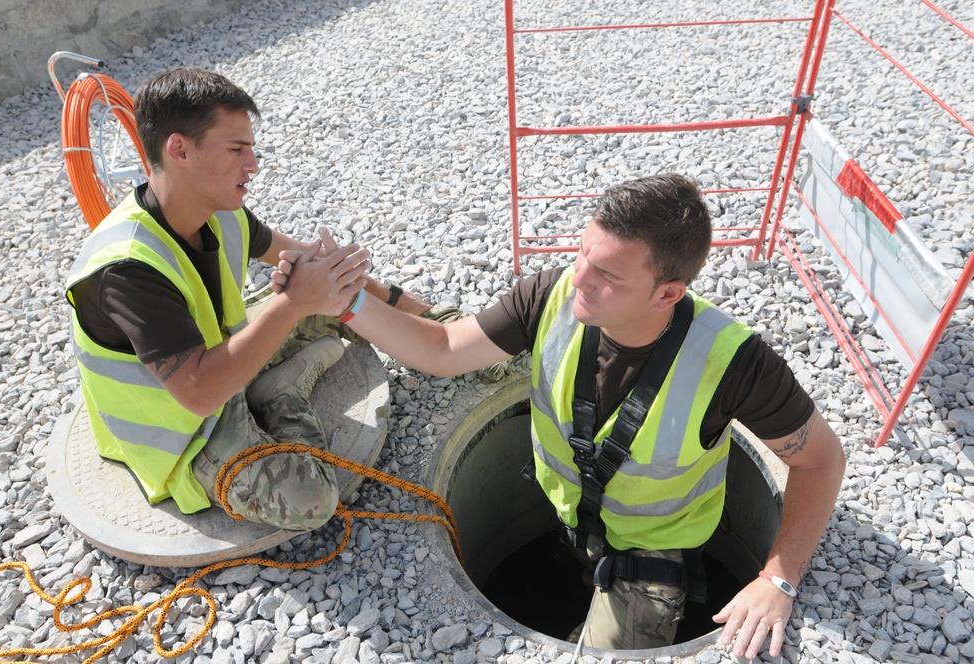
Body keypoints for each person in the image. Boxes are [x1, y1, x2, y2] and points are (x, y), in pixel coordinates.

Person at [278, 174, 846, 658]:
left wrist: (778, 577)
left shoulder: (734, 363)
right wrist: (345, 304)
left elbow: (822, 461)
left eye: (609, 277)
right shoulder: (553, 296)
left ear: (667, 293)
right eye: (583, 256)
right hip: (572, 520)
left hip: (650, 554)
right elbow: (445, 350)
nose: (580, 280)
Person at [64, 66, 452, 532]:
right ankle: (283, 394)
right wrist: (290, 305)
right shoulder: (126, 270)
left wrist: (405, 303)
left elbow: (314, 263)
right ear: (179, 149)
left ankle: (451, 340)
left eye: (251, 148)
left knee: (331, 298)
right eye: (236, 149)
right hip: (187, 431)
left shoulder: (220, 212)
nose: (253, 165)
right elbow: (199, 395)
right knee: (310, 501)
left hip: (221, 361)